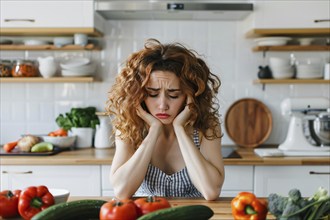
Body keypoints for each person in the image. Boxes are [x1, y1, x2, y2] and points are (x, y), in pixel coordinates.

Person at [106, 38, 224, 201]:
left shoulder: (207, 126)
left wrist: (180, 129)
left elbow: (210, 191)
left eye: (174, 94)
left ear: (190, 96)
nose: (162, 105)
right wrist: (153, 130)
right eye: (152, 94)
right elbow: (121, 191)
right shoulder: (130, 125)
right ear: (139, 95)